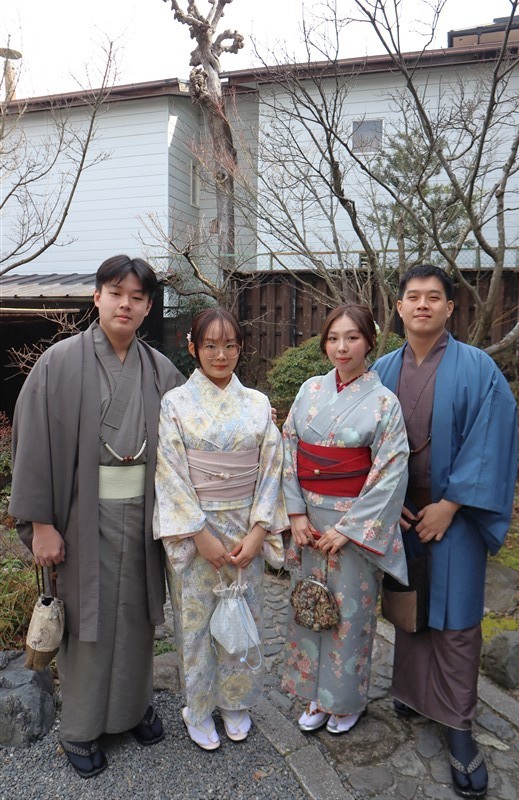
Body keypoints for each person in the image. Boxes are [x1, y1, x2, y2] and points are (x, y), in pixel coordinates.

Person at [9, 255, 184, 778]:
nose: (125, 304)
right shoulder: (58, 363)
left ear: (148, 307)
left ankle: (132, 709)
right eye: (115, 293)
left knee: (136, 615)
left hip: (144, 515)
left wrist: (251, 425)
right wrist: (41, 524)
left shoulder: (162, 370)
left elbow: (195, 428)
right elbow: (32, 445)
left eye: (137, 297)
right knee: (87, 618)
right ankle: (80, 728)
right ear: (97, 297)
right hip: (81, 515)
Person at [373, 264, 518, 799]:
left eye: (434, 297)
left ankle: (458, 724)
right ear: (399, 307)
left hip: (454, 514)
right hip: (401, 513)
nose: (422, 305)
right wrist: (388, 503)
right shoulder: (382, 369)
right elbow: (362, 440)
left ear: (450, 308)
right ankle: (412, 694)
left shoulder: (478, 368)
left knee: (456, 620)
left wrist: (451, 504)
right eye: (412, 296)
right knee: (409, 608)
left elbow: (492, 438)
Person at [153, 307, 287, 751]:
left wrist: (259, 531)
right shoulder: (175, 403)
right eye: (210, 345)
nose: (221, 355)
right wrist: (198, 534)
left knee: (244, 620)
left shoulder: (257, 404)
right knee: (195, 626)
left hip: (246, 529)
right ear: (192, 347)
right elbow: (170, 471)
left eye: (230, 345)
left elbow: (272, 468)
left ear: (241, 348)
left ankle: (235, 702)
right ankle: (197, 707)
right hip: (197, 534)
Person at [281, 303, 409, 735]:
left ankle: (346, 700)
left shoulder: (384, 402)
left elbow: (391, 472)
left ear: (369, 341)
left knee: (349, 614)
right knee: (308, 605)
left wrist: (348, 529)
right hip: (308, 524)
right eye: (333, 338)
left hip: (353, 527)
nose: (342, 347)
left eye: (352, 337)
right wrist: (295, 514)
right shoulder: (310, 391)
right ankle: (313, 694)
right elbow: (288, 449)